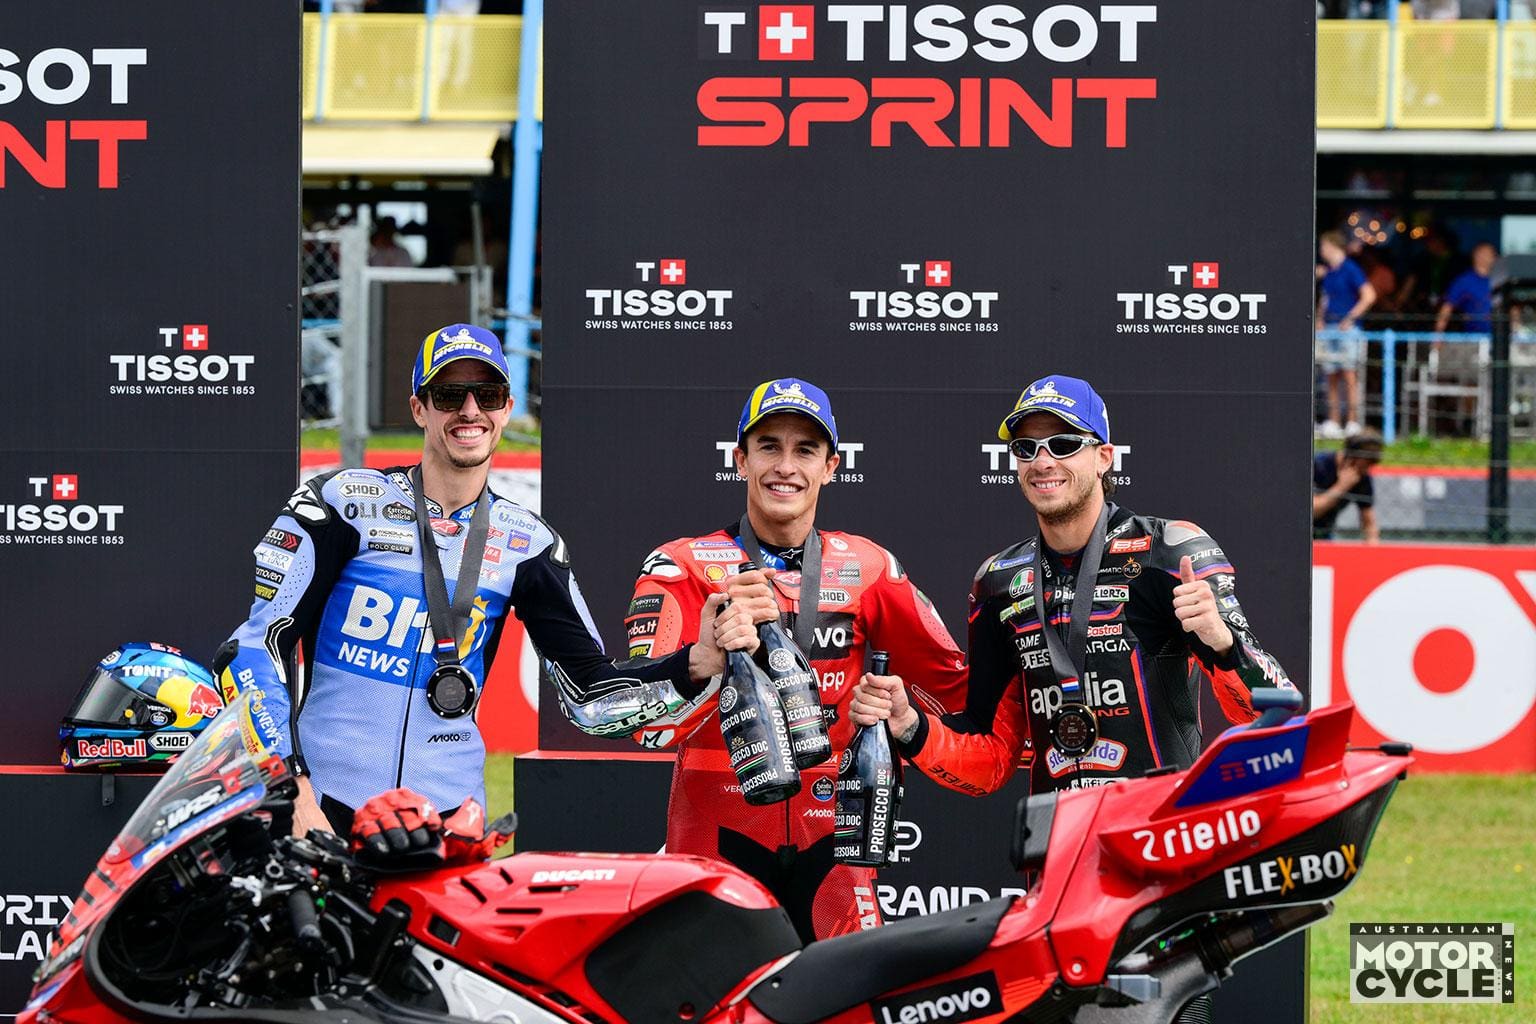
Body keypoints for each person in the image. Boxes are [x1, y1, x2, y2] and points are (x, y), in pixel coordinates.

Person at [215, 324, 758, 836]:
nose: (470, 410)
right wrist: (292, 789)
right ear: (419, 409)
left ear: (506, 410)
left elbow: (590, 697)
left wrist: (695, 663)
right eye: (450, 395)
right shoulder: (342, 503)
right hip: (324, 810)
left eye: (488, 395)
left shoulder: (530, 543)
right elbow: (252, 651)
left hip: (449, 823)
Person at [583, 378, 968, 942]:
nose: (785, 467)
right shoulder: (681, 565)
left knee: (843, 988)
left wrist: (907, 715)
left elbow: (955, 691)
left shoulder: (870, 567)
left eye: (805, 450)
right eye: (769, 446)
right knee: (717, 991)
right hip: (717, 830)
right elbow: (647, 729)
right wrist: (705, 661)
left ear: (830, 467)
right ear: (741, 459)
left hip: (835, 836)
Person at [849, 374, 1296, 796]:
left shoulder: (1168, 550)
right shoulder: (999, 581)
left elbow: (1275, 709)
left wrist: (1222, 644)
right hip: (1058, 838)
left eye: (1063, 445)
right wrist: (910, 726)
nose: (1043, 462)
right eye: (1026, 448)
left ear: (1104, 457)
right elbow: (991, 758)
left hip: (1158, 830)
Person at [1317, 230, 1377, 438]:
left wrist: (1350, 318)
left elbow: (1369, 295)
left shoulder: (1351, 269)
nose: (1321, 250)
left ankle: (1352, 422)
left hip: (1348, 330)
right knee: (1330, 376)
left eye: (1323, 246)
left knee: (1350, 375)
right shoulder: (1329, 272)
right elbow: (1325, 299)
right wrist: (1319, 319)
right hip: (1328, 329)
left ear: (1332, 246)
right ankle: (1333, 421)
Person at [1313, 429, 1384, 543]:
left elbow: (1369, 522)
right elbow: (1310, 512)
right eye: (1366, 464)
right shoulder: (1318, 465)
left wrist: (1372, 545)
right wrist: (1341, 487)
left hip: (1325, 534)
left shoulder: (1362, 476)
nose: (1366, 470)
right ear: (1351, 458)